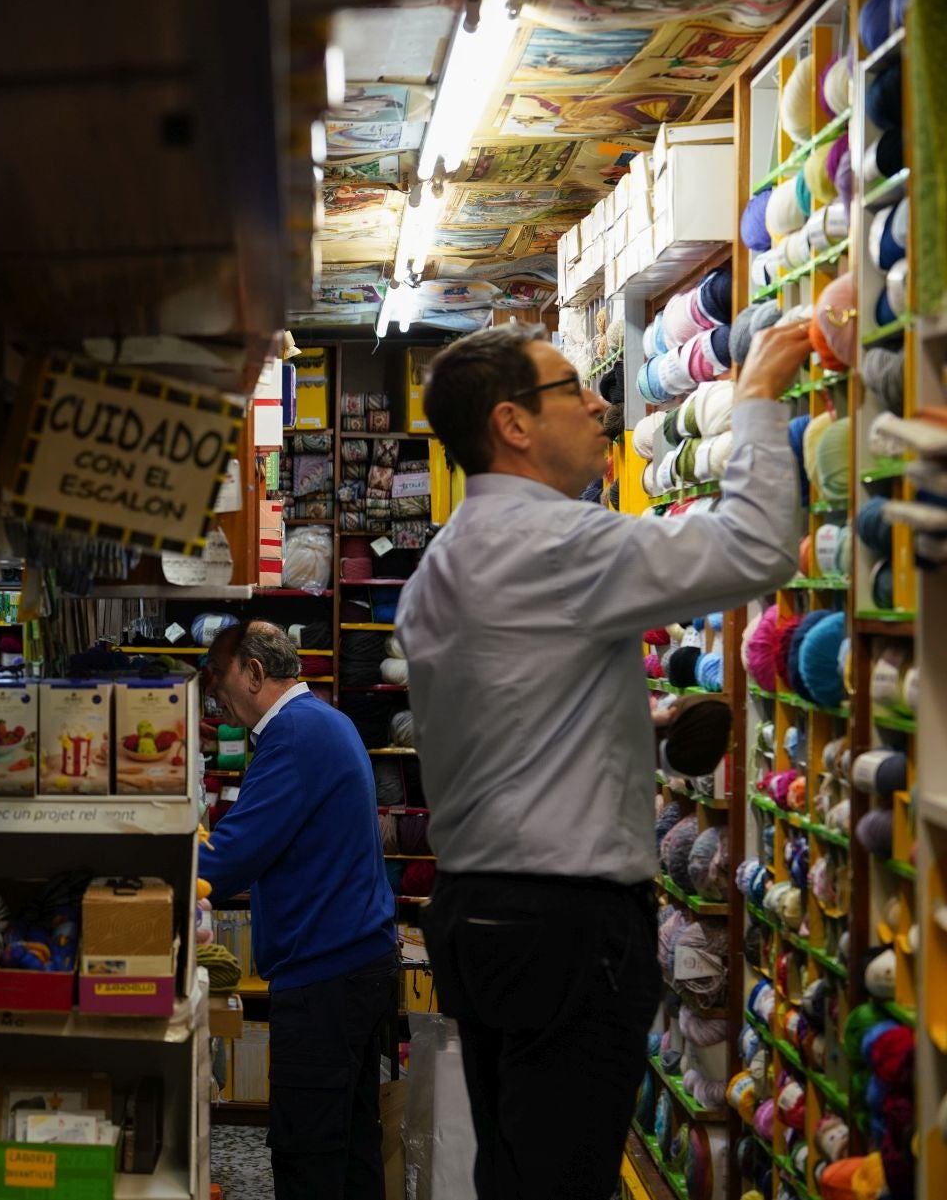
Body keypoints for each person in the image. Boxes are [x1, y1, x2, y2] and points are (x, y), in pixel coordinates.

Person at [396, 318, 810, 1199]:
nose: (598, 403)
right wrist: (761, 399)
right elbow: (755, 548)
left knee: (517, 1169)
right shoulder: (563, 542)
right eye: (570, 387)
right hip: (566, 926)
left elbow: (504, 717)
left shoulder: (441, 564)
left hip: (480, 915)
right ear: (513, 423)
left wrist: (638, 721)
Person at [200, 620, 398, 1200]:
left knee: (307, 1152)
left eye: (222, 685)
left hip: (324, 977)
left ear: (256, 673)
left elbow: (235, 855)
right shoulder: (326, 720)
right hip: (357, 964)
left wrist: (156, 874)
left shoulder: (291, 734)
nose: (219, 699)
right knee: (353, 1141)